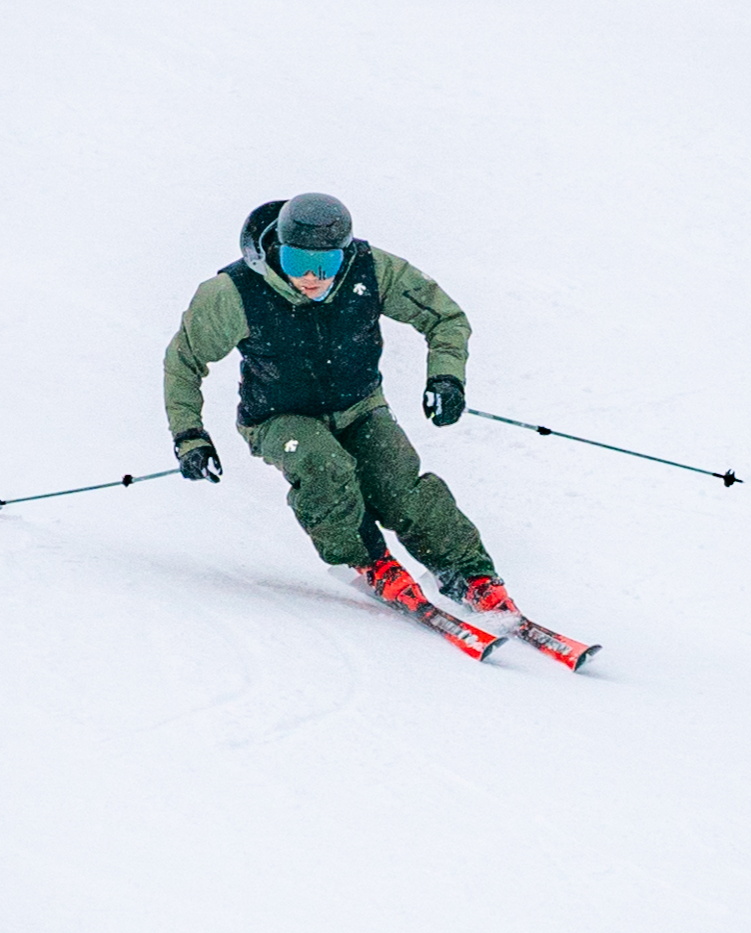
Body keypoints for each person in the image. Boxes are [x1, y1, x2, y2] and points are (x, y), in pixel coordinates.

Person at [163, 194, 518, 617]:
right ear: (277, 249)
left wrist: (447, 378)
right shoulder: (234, 293)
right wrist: (190, 438)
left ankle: (470, 574)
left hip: (359, 405)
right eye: (297, 263)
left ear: (343, 254)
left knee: (399, 483)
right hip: (279, 415)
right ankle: (369, 559)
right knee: (324, 465)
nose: (312, 278)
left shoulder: (372, 270)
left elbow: (445, 318)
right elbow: (183, 362)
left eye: (326, 265)